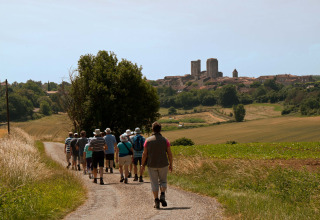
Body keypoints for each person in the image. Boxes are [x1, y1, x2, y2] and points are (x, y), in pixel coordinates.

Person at [141, 122, 173, 209]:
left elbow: (144, 154)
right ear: (160, 129)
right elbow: (169, 153)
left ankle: (156, 201)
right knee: (163, 181)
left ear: (152, 129)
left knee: (154, 183)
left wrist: (142, 164)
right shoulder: (165, 140)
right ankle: (162, 195)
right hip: (163, 164)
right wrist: (171, 164)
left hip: (151, 164)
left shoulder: (148, 141)